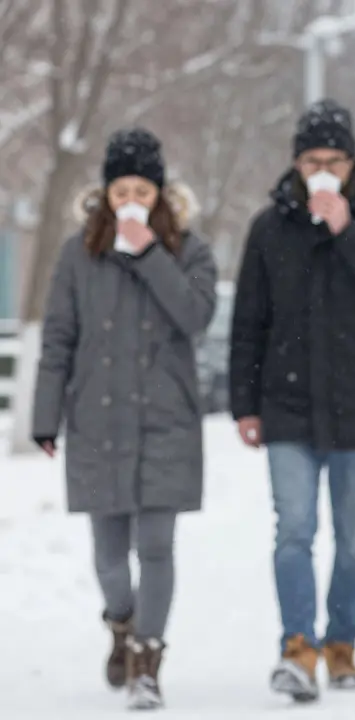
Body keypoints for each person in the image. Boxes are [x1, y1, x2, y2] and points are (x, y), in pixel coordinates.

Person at [229, 98, 355, 702]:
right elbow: (247, 322)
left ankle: (340, 645)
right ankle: (297, 647)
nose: (323, 171)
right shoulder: (269, 226)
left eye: (334, 160)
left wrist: (346, 228)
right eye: (312, 161)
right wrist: (244, 404)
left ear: (352, 162)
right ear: (295, 163)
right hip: (286, 406)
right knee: (294, 530)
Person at [31, 127, 217, 711]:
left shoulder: (190, 250)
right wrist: (45, 416)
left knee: (156, 547)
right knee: (110, 558)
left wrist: (150, 255)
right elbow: (59, 336)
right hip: (96, 421)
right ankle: (122, 622)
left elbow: (195, 316)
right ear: (106, 194)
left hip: (166, 423)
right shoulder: (76, 253)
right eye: (120, 189)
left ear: (159, 194)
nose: (130, 199)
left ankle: (146, 661)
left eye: (141, 188)